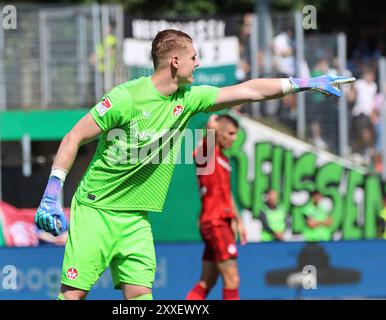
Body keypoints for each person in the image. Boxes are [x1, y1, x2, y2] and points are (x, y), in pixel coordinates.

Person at [33, 29, 354, 300]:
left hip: (136, 221)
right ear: (176, 61)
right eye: (194, 58)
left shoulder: (189, 98)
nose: (198, 63)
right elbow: (74, 137)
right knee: (72, 295)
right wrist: (53, 190)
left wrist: (304, 82)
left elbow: (248, 90)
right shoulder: (125, 98)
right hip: (96, 211)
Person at [186, 114, 247, 300]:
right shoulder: (207, 154)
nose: (234, 138)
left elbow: (227, 195)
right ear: (218, 132)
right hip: (215, 222)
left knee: (207, 280)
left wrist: (237, 220)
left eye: (236, 134)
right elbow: (201, 152)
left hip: (221, 221)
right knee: (232, 279)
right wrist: (210, 127)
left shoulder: (224, 160)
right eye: (230, 133)